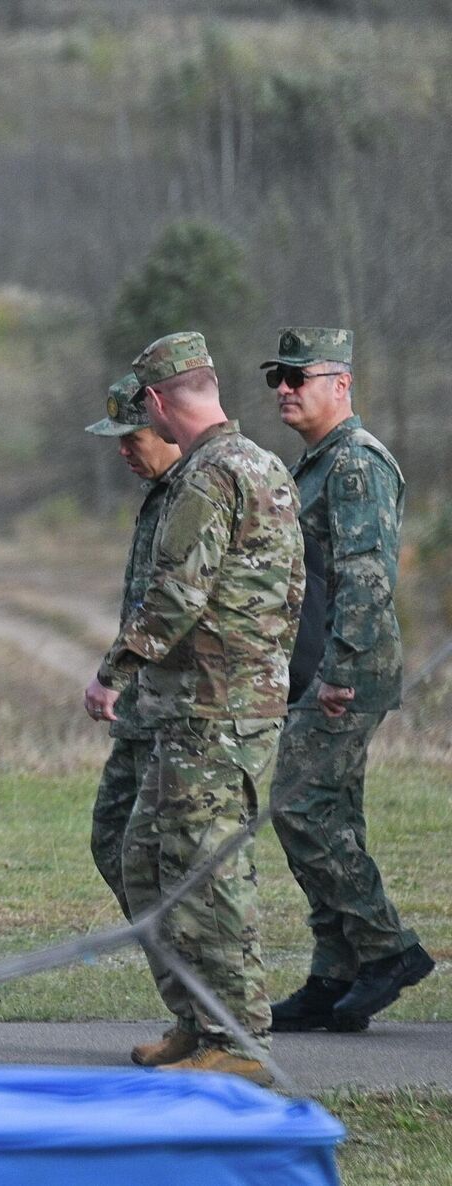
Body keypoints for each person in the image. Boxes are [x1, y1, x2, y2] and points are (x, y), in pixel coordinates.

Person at [84, 332, 303, 1085]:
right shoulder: (261, 464)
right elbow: (292, 590)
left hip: (215, 708)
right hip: (215, 704)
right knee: (147, 860)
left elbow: (176, 593)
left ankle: (240, 1040)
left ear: (156, 401)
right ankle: (200, 1020)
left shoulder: (210, 476)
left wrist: (113, 673)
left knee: (206, 870)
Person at [262, 327, 434, 1032]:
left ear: (342, 384)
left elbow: (366, 575)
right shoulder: (317, 463)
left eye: (299, 377)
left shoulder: (355, 463)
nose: (285, 388)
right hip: (322, 668)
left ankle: (388, 949)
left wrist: (337, 672)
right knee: (331, 816)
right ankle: (334, 976)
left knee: (299, 807)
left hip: (347, 670)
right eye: (278, 377)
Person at [83, 374, 182, 926]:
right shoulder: (159, 495)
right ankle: (175, 962)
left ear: (166, 426)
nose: (123, 451)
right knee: (113, 840)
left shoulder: (197, 495)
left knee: (164, 858)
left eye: (132, 438)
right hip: (140, 706)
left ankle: (196, 967)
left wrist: (112, 674)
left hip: (177, 708)